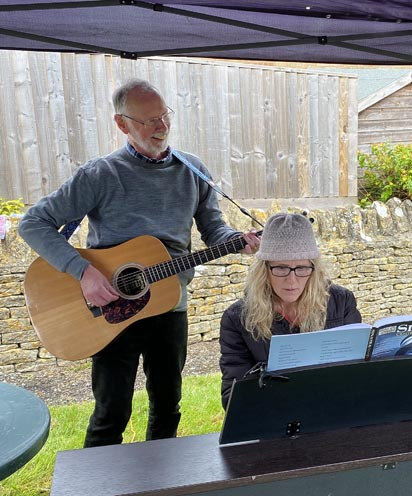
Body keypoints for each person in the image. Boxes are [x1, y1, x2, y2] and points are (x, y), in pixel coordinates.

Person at [18, 78, 260, 447]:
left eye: (164, 116)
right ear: (122, 124)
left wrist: (237, 241)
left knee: (167, 407)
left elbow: (214, 229)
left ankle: (160, 476)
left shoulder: (192, 170)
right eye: (149, 121)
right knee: (111, 413)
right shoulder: (100, 174)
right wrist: (83, 272)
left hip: (169, 307)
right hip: (109, 311)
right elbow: (33, 223)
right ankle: (99, 478)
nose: (161, 127)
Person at [219, 213, 362, 408]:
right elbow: (233, 397)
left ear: (314, 269)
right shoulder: (238, 318)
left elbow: (359, 372)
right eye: (281, 268)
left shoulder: (341, 302)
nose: (291, 281)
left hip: (335, 409)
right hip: (274, 415)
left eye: (301, 268)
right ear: (264, 269)